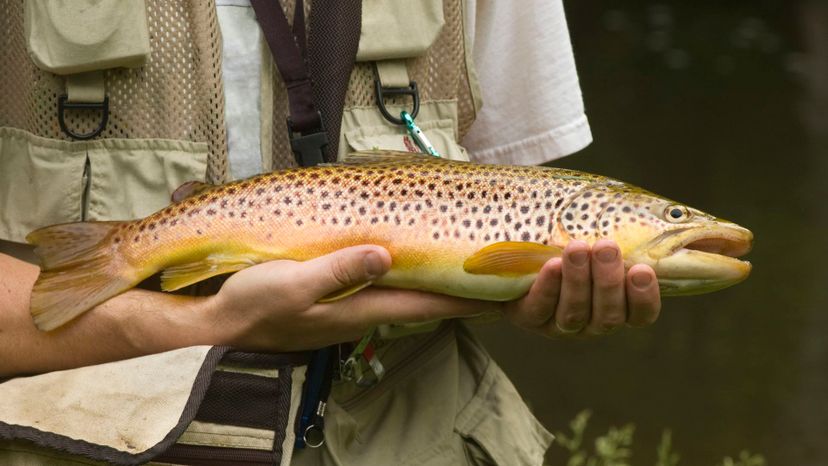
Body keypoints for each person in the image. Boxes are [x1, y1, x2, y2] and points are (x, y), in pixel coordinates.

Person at [0, 0, 660, 464]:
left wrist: (543, 297)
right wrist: (207, 327)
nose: (677, 227)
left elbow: (509, 190)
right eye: (674, 219)